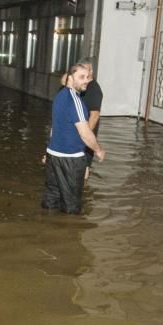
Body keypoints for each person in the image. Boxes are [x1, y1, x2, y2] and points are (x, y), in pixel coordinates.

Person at [42, 63, 106, 214]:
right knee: (72, 207)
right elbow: (85, 133)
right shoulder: (76, 101)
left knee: (51, 201)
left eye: (88, 77)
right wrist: (98, 150)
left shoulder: (59, 96)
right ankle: (70, 234)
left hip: (53, 157)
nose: (86, 80)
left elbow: (54, 128)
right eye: (82, 77)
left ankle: (45, 230)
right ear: (70, 78)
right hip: (70, 160)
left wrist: (47, 152)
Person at [78, 59, 103, 180]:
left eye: (85, 70)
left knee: (84, 167)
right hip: (79, 134)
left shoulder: (94, 89)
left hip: (86, 137)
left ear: (91, 71)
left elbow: (94, 115)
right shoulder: (82, 87)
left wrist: (85, 135)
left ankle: (82, 191)